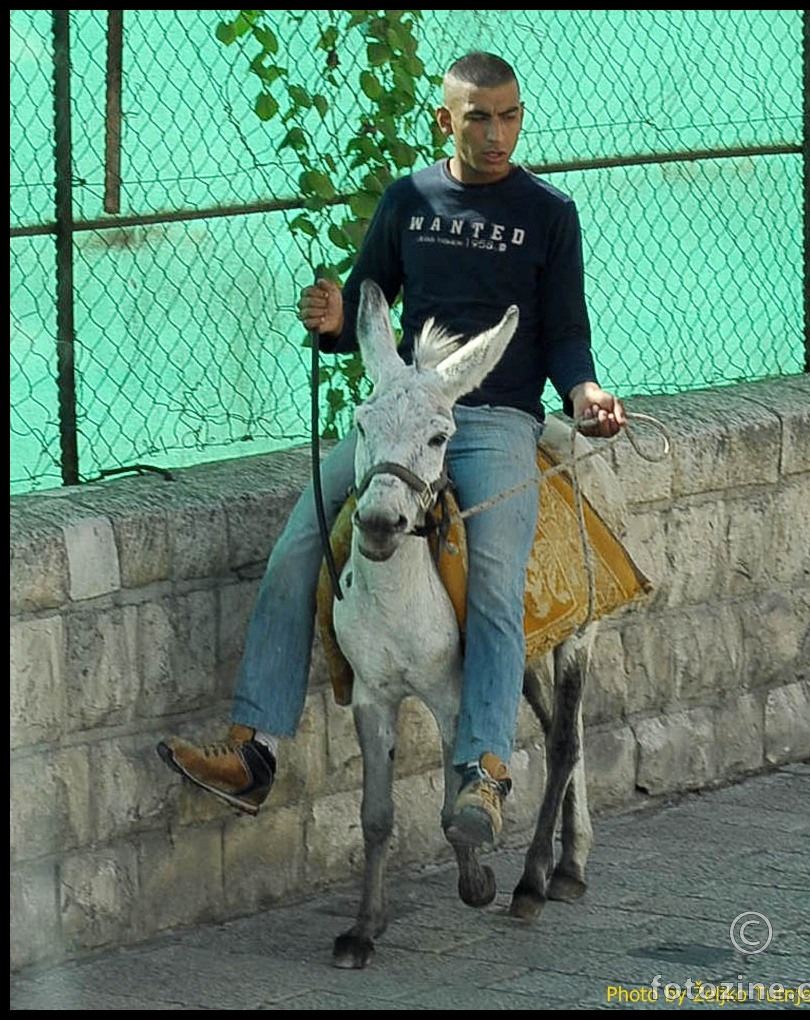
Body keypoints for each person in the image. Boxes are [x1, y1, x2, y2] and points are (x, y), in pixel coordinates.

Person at [157, 51, 626, 848]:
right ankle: (256, 749)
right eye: (478, 117)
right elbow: (362, 303)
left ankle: (482, 771)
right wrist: (333, 316)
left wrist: (582, 393)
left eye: (510, 115)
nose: (496, 133)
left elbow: (566, 333)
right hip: (403, 415)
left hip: (494, 422)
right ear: (444, 120)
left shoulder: (551, 211)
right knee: (299, 542)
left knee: (496, 587)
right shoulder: (409, 198)